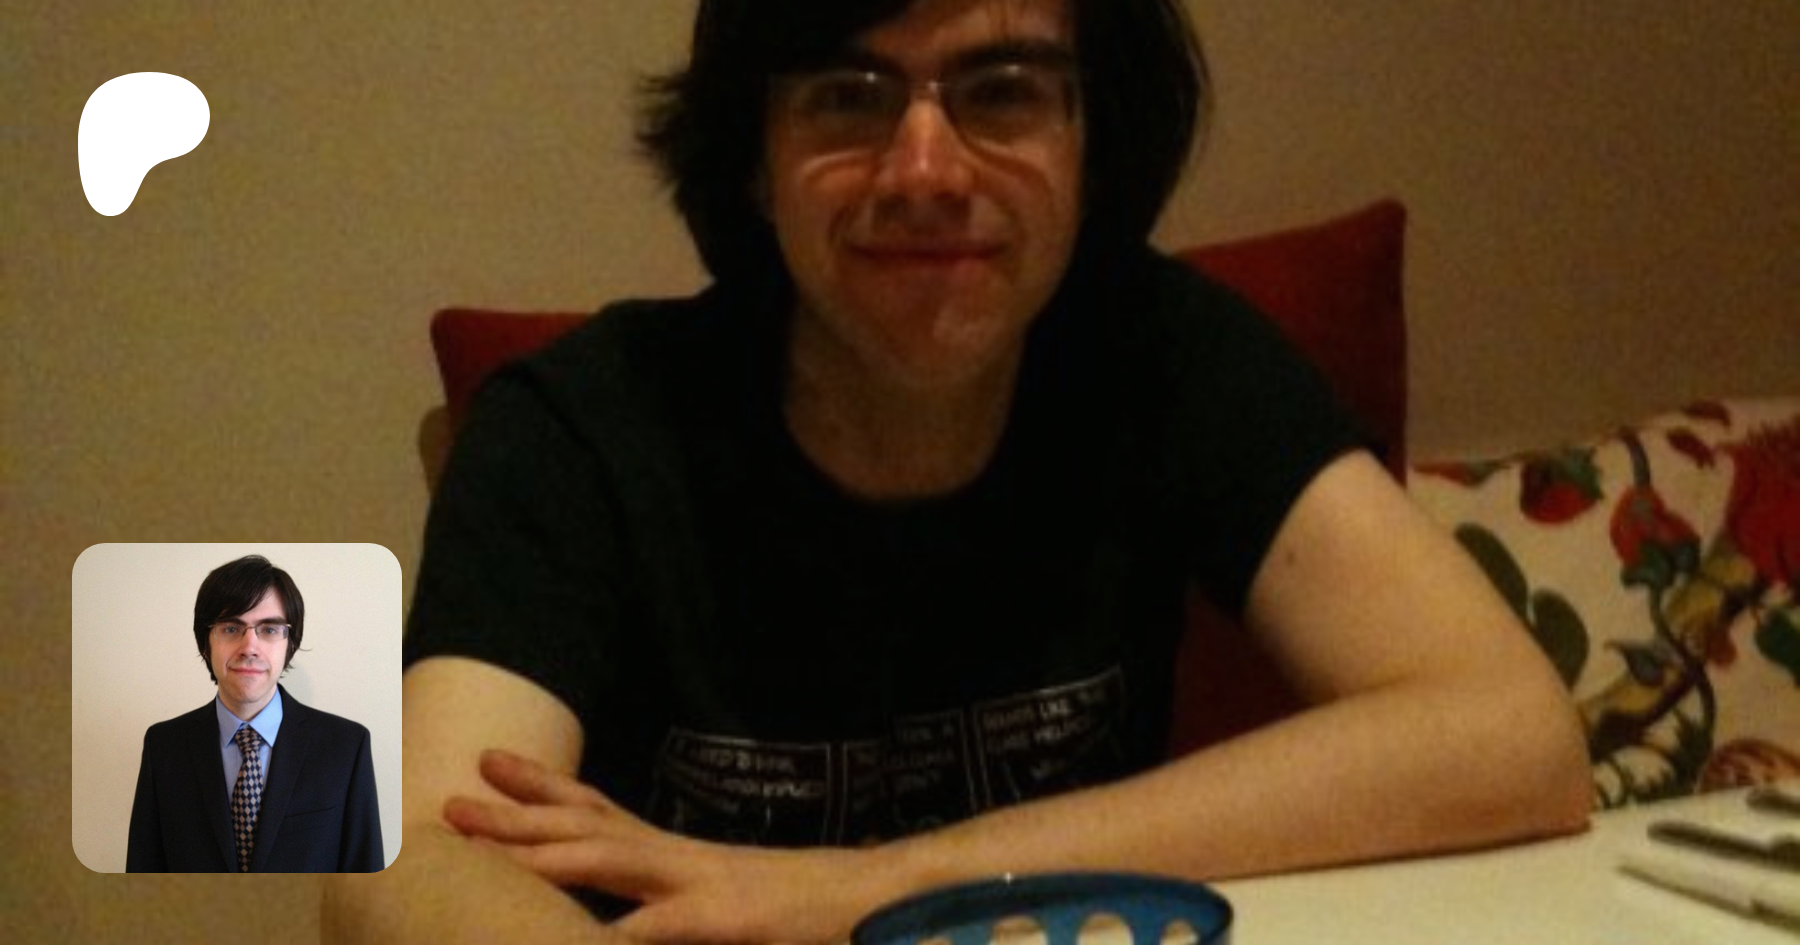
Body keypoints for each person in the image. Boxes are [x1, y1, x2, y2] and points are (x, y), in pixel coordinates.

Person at [326, 0, 1588, 940]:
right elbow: (396, 862)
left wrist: (864, 887)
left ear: (1092, 141)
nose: (925, 171)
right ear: (756, 160)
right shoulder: (577, 425)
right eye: (848, 95)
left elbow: (1517, 737)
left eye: (1002, 92)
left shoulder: (1166, 353)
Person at [126, 554, 384, 872]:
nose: (249, 647)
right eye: (231, 628)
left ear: (290, 644)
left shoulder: (346, 746)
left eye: (269, 629)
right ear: (205, 644)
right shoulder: (164, 746)